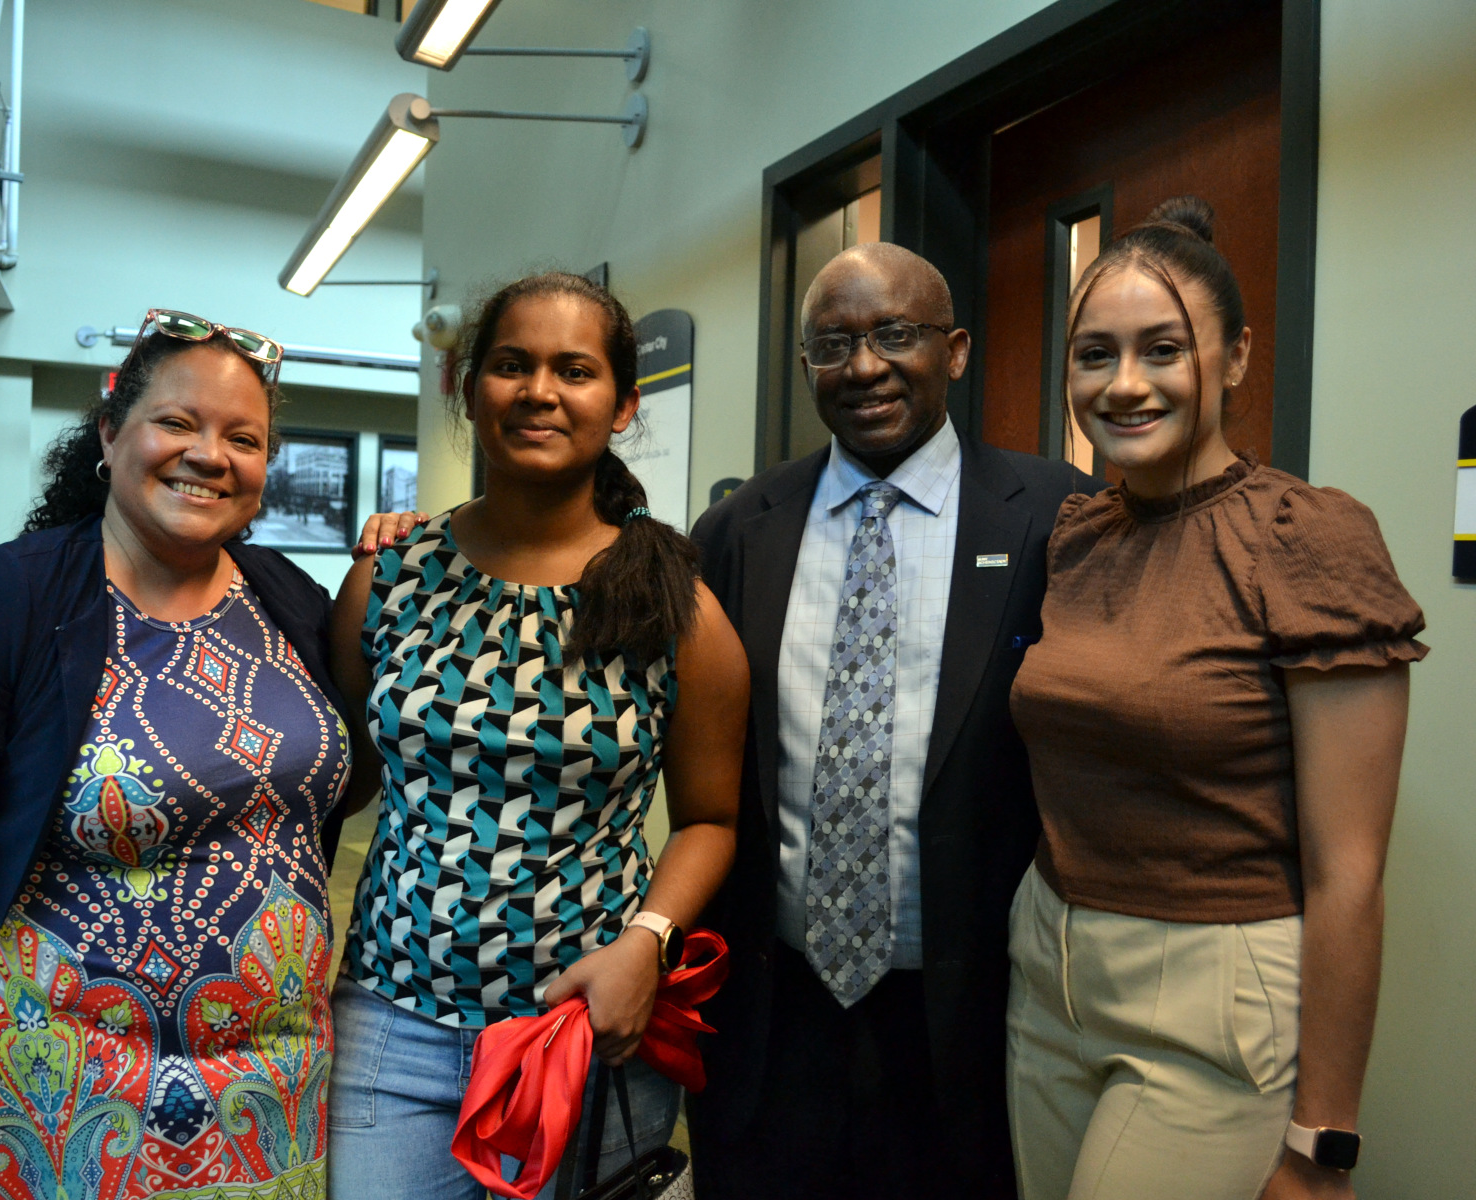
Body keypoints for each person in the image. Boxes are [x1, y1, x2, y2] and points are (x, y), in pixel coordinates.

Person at [0, 310, 378, 1199]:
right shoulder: (5, 594)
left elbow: (338, 773)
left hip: (269, 1080)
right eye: (177, 422)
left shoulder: (287, 597)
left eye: (243, 437)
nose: (209, 454)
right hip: (59, 1090)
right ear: (110, 434)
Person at [1006, 197, 1425, 1200]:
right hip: (1048, 974)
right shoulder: (1076, 536)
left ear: (1234, 358)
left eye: (1164, 350)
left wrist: (1322, 1144)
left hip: (1213, 999)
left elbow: (1350, 874)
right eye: (1095, 355)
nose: (1126, 384)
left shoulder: (1306, 538)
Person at [324, 271, 750, 1200]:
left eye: (576, 370)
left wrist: (648, 942)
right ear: (467, 388)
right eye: (512, 365)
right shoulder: (390, 581)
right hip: (393, 1028)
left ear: (624, 403)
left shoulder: (674, 609)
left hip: (589, 1031)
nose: (541, 392)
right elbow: (336, 780)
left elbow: (712, 818)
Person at [686, 242, 1095, 1199]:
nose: (864, 366)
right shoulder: (742, 528)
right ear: (806, 369)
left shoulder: (1055, 516)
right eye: (833, 344)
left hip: (970, 1016)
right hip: (773, 1010)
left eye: (894, 336)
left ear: (953, 351)